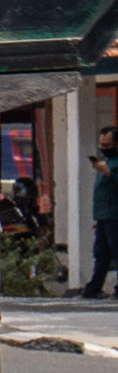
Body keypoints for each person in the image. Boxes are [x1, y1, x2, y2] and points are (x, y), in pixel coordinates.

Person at [87, 125, 118, 298]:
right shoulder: (105, 164)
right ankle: (93, 288)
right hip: (103, 216)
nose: (104, 149)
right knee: (101, 254)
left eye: (108, 145)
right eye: (102, 145)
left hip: (115, 215)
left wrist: (110, 175)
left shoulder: (112, 166)